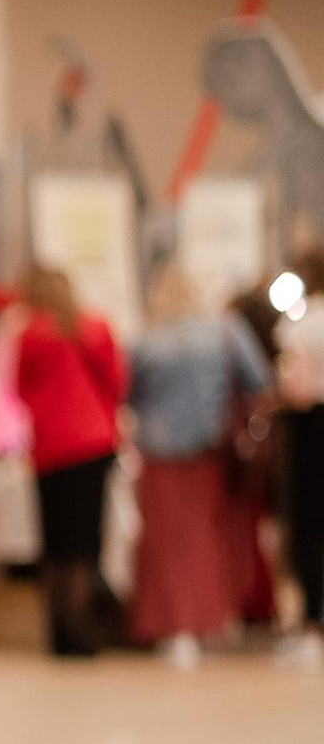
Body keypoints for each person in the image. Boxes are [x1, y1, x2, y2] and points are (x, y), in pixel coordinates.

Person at [124, 264, 273, 666]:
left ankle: (175, 628)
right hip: (210, 449)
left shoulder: (146, 341)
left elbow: (129, 392)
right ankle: (210, 621)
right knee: (207, 538)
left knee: (165, 542)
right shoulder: (224, 331)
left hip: (158, 451)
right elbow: (259, 379)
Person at [6, 265, 126, 656]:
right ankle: (79, 630)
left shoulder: (29, 335)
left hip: (48, 448)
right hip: (92, 444)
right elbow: (117, 383)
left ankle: (57, 633)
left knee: (54, 542)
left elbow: (18, 389)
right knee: (83, 543)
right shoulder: (96, 328)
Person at [274, 249, 324, 669]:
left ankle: (312, 624)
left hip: (312, 430)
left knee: (311, 527)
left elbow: (297, 390)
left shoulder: (300, 325)